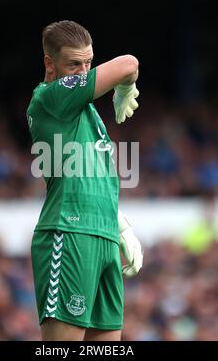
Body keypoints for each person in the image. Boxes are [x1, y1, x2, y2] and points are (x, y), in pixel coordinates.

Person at [26, 20, 143, 341]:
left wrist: (117, 225)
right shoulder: (52, 98)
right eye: (74, 64)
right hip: (69, 233)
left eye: (88, 63)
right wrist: (123, 86)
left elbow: (88, 174)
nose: (83, 71)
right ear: (50, 64)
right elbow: (129, 64)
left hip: (101, 236)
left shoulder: (85, 112)